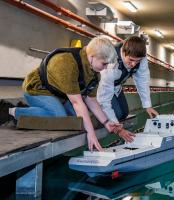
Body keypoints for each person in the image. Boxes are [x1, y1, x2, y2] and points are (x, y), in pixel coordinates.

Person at [0, 36, 134, 151]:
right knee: (60, 117)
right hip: (37, 89)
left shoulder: (93, 72)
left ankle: (39, 110)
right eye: (104, 64)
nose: (105, 68)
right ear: (92, 57)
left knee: (76, 119)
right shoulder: (66, 63)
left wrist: (107, 122)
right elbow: (77, 102)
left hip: (59, 94)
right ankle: (13, 111)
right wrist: (91, 134)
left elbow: (91, 101)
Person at [97, 36, 158, 123]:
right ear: (124, 52)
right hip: (102, 86)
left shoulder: (141, 58)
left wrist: (148, 106)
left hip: (116, 86)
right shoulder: (111, 62)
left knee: (124, 113)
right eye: (131, 60)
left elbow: (142, 81)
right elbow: (104, 100)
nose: (134, 64)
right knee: (116, 114)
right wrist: (116, 127)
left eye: (137, 61)